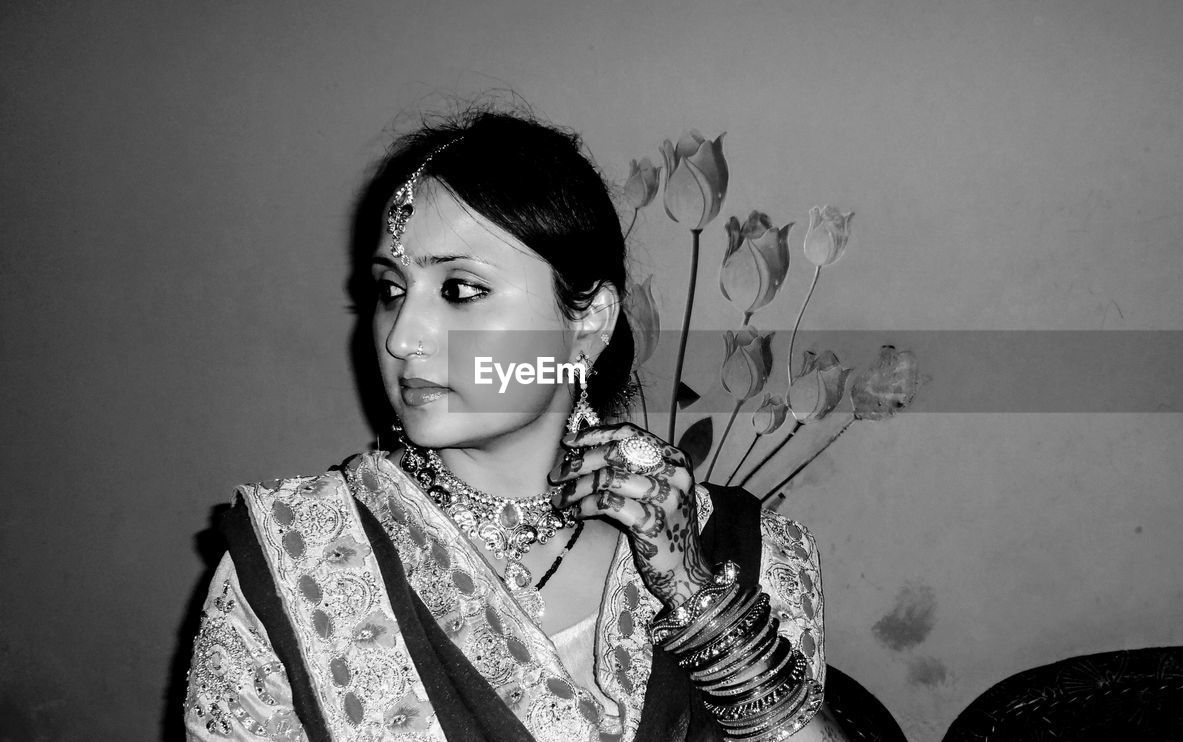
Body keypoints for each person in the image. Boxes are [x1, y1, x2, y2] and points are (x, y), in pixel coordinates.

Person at [183, 109, 845, 742]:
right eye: (390, 290)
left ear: (588, 319)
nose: (402, 338)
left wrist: (700, 599)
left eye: (460, 290)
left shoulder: (748, 554)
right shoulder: (294, 564)